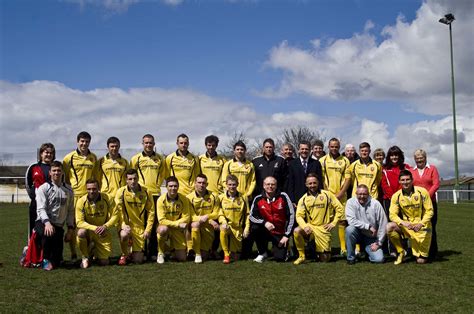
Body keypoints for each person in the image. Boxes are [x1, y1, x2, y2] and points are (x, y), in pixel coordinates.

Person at [293, 174, 343, 265]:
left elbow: (340, 209)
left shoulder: (327, 194)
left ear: (318, 183)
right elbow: (299, 216)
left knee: (325, 259)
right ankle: (302, 256)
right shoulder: (303, 199)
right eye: (310, 183)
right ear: (306, 184)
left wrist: (333, 223)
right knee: (297, 231)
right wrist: (304, 226)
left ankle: (313, 248)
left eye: (314, 183)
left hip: (323, 228)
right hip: (311, 227)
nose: (312, 185)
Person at [63, 131, 98, 261]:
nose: (84, 144)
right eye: (82, 141)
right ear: (77, 142)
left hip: (88, 197)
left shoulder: (93, 157)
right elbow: (65, 178)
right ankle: (73, 253)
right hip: (74, 196)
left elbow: (94, 177)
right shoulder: (69, 158)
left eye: (87, 141)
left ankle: (89, 251)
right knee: (72, 226)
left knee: (88, 225)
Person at [130, 134, 166, 260]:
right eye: (146, 143)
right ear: (142, 144)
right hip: (141, 195)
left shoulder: (160, 159)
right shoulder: (136, 159)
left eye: (150, 143)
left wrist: (156, 186)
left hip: (155, 194)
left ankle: (153, 251)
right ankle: (141, 250)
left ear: (154, 144)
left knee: (155, 223)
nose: (148, 145)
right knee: (142, 223)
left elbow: (162, 175)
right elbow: (132, 176)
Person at [386, 170, 433, 265]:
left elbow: (430, 211)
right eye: (402, 180)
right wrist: (403, 223)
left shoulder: (422, 192)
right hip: (407, 227)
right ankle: (401, 252)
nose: (405, 182)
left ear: (412, 180)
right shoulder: (396, 196)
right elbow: (392, 214)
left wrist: (421, 223)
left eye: (407, 179)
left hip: (422, 227)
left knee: (420, 261)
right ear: (399, 181)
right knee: (389, 227)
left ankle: (418, 252)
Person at [35, 161, 74, 270]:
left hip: (58, 226)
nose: (57, 173)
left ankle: (54, 258)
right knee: (48, 233)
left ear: (62, 172)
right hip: (43, 222)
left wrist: (70, 229)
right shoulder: (43, 188)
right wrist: (47, 223)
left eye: (59, 170)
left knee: (57, 261)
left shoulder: (69, 190)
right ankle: (45, 259)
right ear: (50, 173)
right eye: (54, 170)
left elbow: (71, 211)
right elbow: (41, 208)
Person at [249, 176, 294, 263]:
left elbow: (291, 215)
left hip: (280, 233)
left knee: (280, 258)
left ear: (276, 186)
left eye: (273, 184)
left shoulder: (283, 196)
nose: (270, 186)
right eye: (268, 184)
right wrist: (264, 223)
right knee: (254, 228)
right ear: (263, 185)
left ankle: (286, 249)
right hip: (265, 230)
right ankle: (263, 252)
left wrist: (286, 235)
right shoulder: (258, 198)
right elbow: (251, 216)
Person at [318, 138, 351, 256]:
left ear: (339, 147)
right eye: (332, 146)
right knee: (326, 221)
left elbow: (348, 178)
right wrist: (329, 194)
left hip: (341, 196)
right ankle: (327, 247)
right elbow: (321, 179)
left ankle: (343, 248)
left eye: (336, 146)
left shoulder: (345, 160)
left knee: (342, 221)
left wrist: (341, 193)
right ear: (328, 146)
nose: (334, 148)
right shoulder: (322, 160)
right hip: (327, 196)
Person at [115, 169, 155, 265]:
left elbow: (151, 212)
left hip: (139, 227)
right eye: (130, 179)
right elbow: (118, 210)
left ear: (138, 178)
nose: (133, 181)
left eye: (135, 178)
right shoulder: (121, 191)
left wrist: (148, 229)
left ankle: (132, 251)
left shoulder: (146, 192)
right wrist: (123, 224)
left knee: (138, 261)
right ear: (126, 180)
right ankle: (124, 254)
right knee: (124, 234)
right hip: (126, 226)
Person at [75, 179, 118, 268]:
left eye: (94, 189)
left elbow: (115, 216)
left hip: (103, 231)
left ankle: (94, 250)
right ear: (86, 189)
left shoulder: (108, 198)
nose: (92, 191)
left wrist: (105, 226)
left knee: (104, 262)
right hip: (89, 232)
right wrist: (94, 228)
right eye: (89, 189)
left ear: (99, 188)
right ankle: (85, 256)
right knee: (80, 232)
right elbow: (79, 222)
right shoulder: (81, 201)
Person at [345, 184, 387, 264]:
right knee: (349, 229)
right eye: (360, 194)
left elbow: (383, 224)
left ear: (368, 194)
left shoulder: (375, 204)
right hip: (357, 234)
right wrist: (368, 226)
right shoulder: (350, 202)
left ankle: (367, 251)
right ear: (356, 194)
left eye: (364, 194)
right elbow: (351, 220)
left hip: (370, 237)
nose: (362, 196)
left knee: (379, 259)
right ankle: (351, 258)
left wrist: (379, 243)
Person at [410, 149, 440, 260]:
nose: (419, 160)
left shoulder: (432, 169)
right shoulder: (411, 171)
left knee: (430, 228)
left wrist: (426, 197)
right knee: (417, 228)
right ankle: (418, 252)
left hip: (430, 204)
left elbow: (436, 184)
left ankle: (432, 252)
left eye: (421, 157)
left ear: (425, 157)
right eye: (417, 158)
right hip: (416, 205)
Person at [156, 176, 192, 264]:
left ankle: (171, 249)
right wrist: (178, 224)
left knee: (182, 258)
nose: (173, 188)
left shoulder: (184, 199)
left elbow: (186, 217)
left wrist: (177, 225)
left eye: (175, 186)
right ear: (166, 187)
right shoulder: (161, 200)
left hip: (177, 230)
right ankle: (160, 252)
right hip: (166, 227)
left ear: (178, 187)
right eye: (171, 186)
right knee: (162, 229)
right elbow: (162, 220)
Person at [25, 143, 55, 240]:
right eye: (46, 152)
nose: (49, 155)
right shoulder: (33, 167)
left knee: (50, 229)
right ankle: (31, 251)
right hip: (36, 204)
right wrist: (34, 196)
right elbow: (28, 183)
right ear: (41, 153)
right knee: (34, 229)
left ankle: (48, 253)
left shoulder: (56, 168)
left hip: (52, 205)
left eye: (51, 153)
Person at [187, 174, 220, 263]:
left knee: (205, 256)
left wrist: (208, 217)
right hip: (196, 225)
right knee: (195, 224)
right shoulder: (189, 198)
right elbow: (190, 216)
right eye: (199, 182)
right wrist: (201, 218)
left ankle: (206, 251)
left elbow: (216, 213)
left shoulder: (214, 196)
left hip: (208, 226)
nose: (201, 185)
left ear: (207, 184)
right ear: (195, 183)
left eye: (204, 183)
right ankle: (196, 252)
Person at [218, 175, 250, 264]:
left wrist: (246, 228)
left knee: (236, 257)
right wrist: (223, 222)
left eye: (234, 184)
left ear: (237, 185)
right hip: (227, 226)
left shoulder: (243, 197)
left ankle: (228, 250)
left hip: (238, 228)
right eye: (230, 184)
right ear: (226, 185)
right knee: (223, 228)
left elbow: (247, 214)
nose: (232, 187)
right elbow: (219, 213)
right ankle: (225, 254)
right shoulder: (220, 198)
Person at [286, 141, 323, 206]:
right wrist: (292, 200)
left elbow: (319, 182)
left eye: (306, 149)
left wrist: (320, 197)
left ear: (310, 150)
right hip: (297, 199)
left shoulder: (316, 163)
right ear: (299, 150)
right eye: (302, 149)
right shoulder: (292, 164)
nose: (304, 151)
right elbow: (290, 183)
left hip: (314, 198)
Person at [381, 146, 410, 215]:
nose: (394, 157)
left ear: (400, 156)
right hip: (388, 199)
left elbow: (406, 183)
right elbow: (384, 184)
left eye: (396, 155)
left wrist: (400, 196)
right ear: (389, 157)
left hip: (403, 198)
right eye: (392, 155)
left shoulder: (406, 167)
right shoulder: (384, 168)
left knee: (403, 222)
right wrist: (393, 197)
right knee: (390, 222)